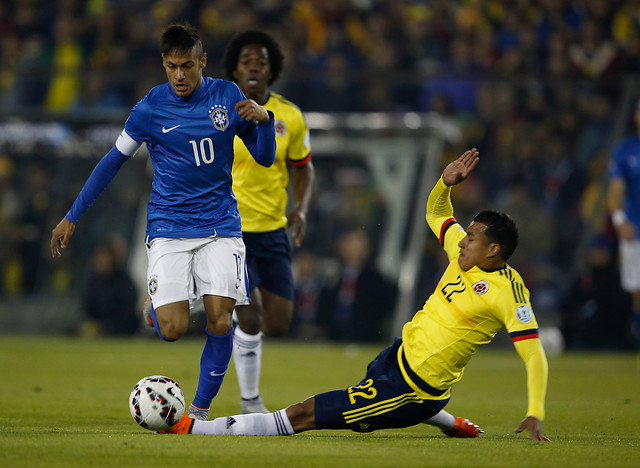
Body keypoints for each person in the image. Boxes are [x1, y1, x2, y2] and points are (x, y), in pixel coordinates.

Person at [163, 149, 550, 441]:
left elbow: (533, 353)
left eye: (472, 238)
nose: (462, 240)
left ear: (494, 250)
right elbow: (437, 214)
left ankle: (193, 430)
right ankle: (451, 422)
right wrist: (444, 184)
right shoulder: (461, 251)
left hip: (411, 390)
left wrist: (535, 411)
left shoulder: (506, 293)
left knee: (303, 414)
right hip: (397, 356)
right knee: (364, 384)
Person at [50, 23, 276, 421]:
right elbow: (112, 161)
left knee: (222, 318)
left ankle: (199, 413)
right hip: (169, 227)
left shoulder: (227, 95)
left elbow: (264, 157)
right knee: (172, 329)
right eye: (171, 66)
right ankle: (156, 308)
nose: (179, 76)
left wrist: (264, 120)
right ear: (163, 63)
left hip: (221, 225)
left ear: (202, 61)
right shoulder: (150, 107)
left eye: (187, 65)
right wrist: (72, 215)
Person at [222, 30, 315, 414]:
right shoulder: (218, 110)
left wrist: (301, 207)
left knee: (278, 323)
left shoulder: (289, 115)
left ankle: (207, 298)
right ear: (235, 70)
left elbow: (305, 168)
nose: (254, 66)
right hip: (230, 230)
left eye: (261, 60)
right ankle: (250, 400)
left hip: (273, 230)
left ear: (272, 69)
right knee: (252, 316)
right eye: (247, 61)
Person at [608, 98, 640, 347]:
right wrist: (620, 221)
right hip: (635, 227)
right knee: (637, 289)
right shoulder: (625, 150)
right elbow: (615, 190)